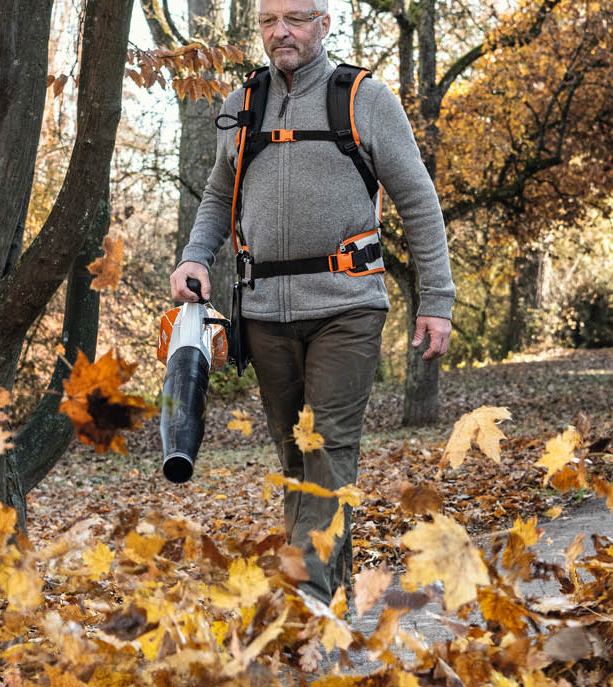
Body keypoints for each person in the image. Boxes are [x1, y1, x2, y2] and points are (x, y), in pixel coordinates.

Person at [169, 0, 455, 605]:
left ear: (324, 24)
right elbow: (221, 193)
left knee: (327, 448)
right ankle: (331, 600)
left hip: (347, 306)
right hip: (265, 312)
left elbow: (419, 201)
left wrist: (437, 299)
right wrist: (196, 254)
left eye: (295, 19)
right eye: (270, 21)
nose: (281, 32)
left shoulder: (365, 100)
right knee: (297, 461)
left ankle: (306, 601)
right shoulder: (241, 105)